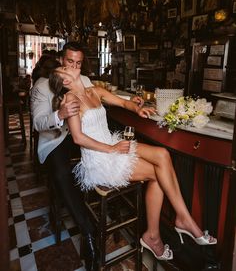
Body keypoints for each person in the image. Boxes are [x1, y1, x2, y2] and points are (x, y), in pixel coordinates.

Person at [48, 65, 217, 262]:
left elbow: (123, 103)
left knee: (162, 154)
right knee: (157, 174)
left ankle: (178, 221)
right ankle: (161, 232)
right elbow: (78, 138)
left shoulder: (94, 90)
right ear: (65, 82)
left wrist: (138, 108)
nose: (70, 65)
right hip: (100, 158)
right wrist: (111, 149)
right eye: (63, 68)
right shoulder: (70, 100)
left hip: (112, 144)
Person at [30, 42, 99, 271]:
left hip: (81, 136)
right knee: (62, 172)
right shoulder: (42, 86)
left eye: (78, 63)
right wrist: (59, 114)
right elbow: (38, 123)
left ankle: (102, 206)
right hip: (56, 138)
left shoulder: (85, 81)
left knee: (97, 158)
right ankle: (87, 230)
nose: (74, 67)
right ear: (61, 59)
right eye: (70, 62)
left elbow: (99, 99)